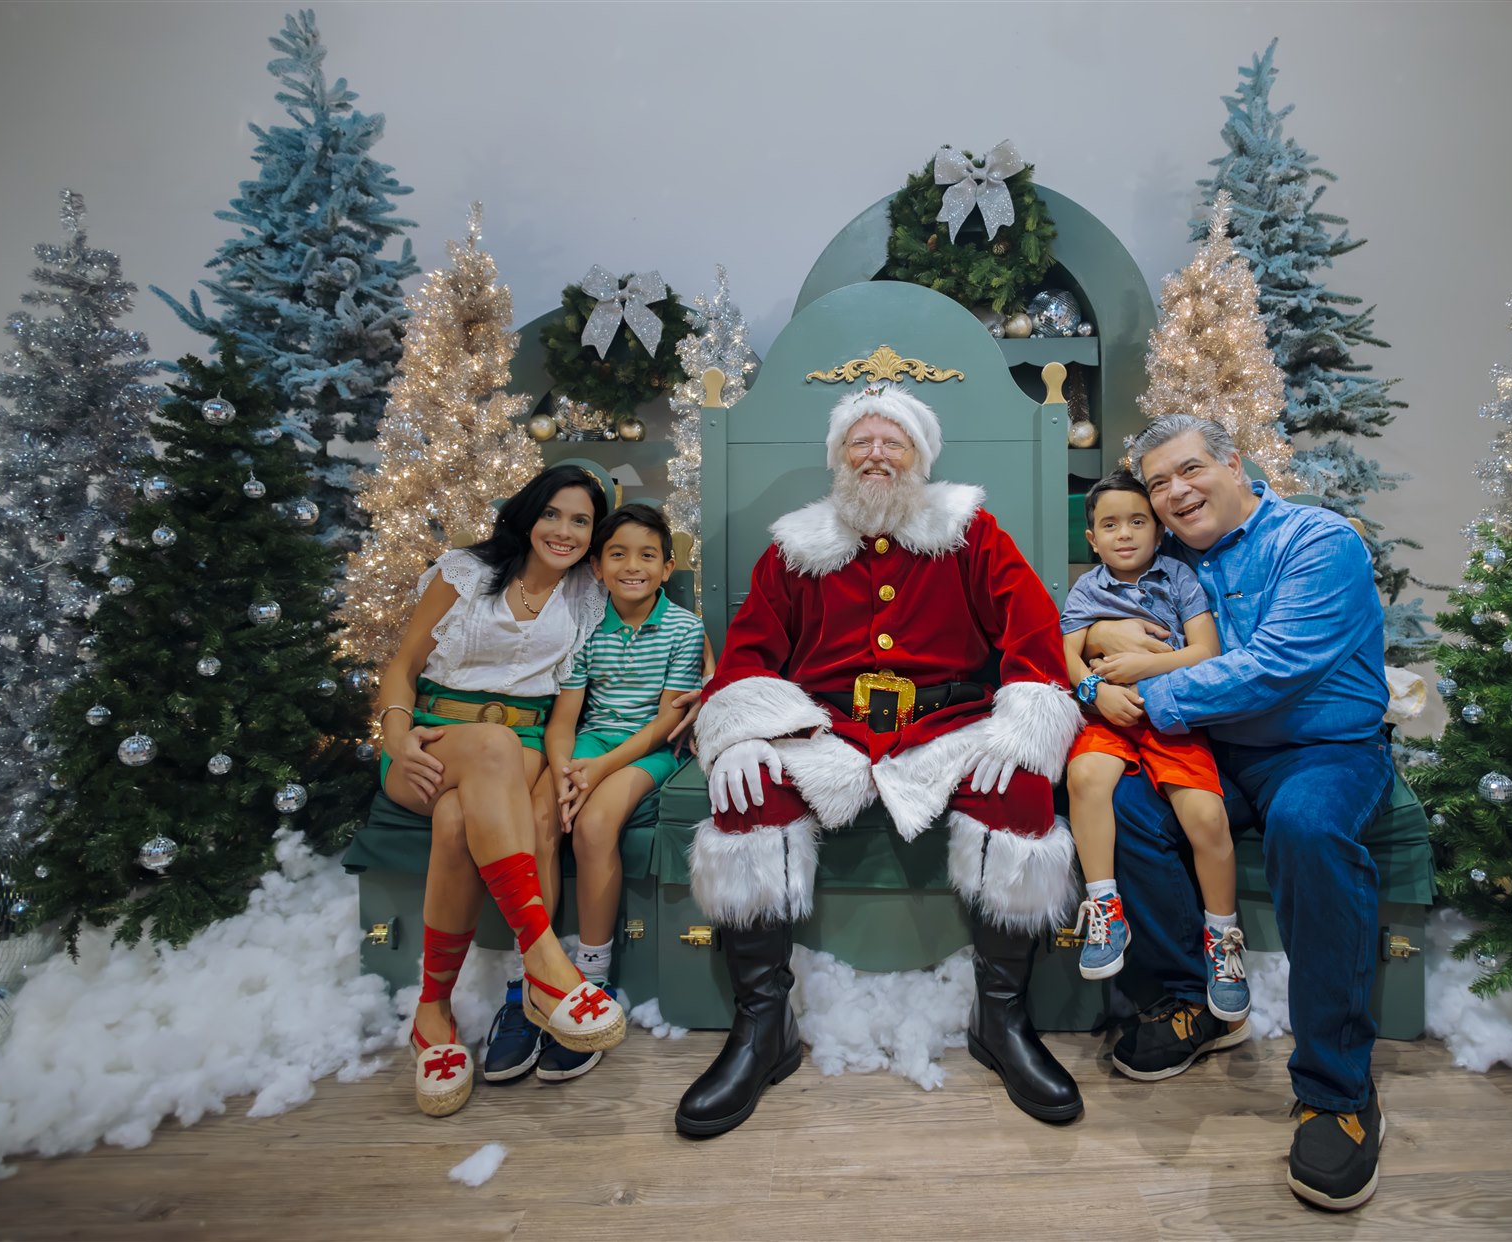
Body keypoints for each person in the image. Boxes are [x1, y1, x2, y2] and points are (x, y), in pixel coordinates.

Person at [675, 382, 1083, 1137]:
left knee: (1022, 791)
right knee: (746, 796)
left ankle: (1002, 1021)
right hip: (827, 730)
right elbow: (750, 651)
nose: (876, 455)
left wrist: (1021, 726)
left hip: (948, 726)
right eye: (860, 443)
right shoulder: (796, 548)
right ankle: (763, 1030)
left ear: (920, 458)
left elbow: (1032, 632)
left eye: (892, 442)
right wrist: (737, 731)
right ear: (837, 459)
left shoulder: (971, 533)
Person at [1090, 414, 1392, 1212]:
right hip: (1219, 754)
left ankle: (1337, 1089)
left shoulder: (1317, 542)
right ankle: (1199, 1001)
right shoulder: (1173, 560)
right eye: (1158, 483)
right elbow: (1089, 624)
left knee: (1309, 829)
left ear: (1234, 463)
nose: (1175, 492)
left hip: (1323, 750)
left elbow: (1274, 668)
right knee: (1126, 805)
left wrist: (1138, 692)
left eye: (1189, 470)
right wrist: (1097, 661)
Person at [375, 464, 629, 1117]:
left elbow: (657, 629)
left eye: (581, 521)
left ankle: (432, 1015)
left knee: (470, 804)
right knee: (472, 774)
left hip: (518, 754)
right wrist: (397, 734)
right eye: (554, 514)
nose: (566, 531)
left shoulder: (587, 596)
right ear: (528, 514)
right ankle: (545, 962)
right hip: (431, 742)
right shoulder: (465, 572)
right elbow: (402, 667)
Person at [1060, 471, 1248, 1030]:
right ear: (1091, 538)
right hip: (1113, 715)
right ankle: (1104, 908)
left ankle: (1222, 939)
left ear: (1159, 528)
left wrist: (1147, 665)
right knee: (1087, 778)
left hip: (1172, 720)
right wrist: (1095, 691)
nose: (1124, 535)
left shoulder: (1181, 580)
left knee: (1206, 815)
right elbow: (1067, 653)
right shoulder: (1086, 589)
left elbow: (1207, 651)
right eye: (1109, 525)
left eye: (1138, 521)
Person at [532, 503, 705, 1080]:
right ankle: (534, 969)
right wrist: (563, 770)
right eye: (618, 554)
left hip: (644, 752)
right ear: (598, 569)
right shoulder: (584, 627)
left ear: (667, 566)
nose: (633, 566)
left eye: (647, 555)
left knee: (596, 824)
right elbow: (564, 721)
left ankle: (592, 974)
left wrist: (600, 769)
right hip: (588, 745)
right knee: (539, 817)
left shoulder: (683, 628)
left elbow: (663, 726)